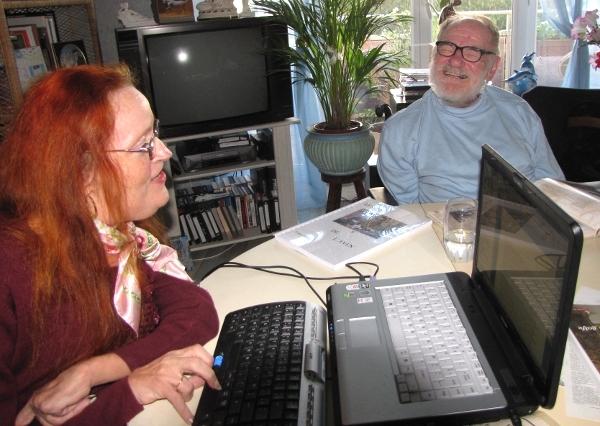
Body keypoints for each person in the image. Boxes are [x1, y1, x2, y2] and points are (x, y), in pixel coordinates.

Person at [0, 65, 220, 425]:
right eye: (144, 146)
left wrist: (94, 371)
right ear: (80, 172)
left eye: (157, 135)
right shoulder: (10, 268)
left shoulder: (114, 237)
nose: (164, 152)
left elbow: (195, 311)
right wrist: (132, 389)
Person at [377, 14, 564, 204]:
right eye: (447, 48)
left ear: (492, 67)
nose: (455, 61)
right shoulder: (400, 130)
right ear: (434, 55)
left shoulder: (519, 111)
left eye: (473, 52)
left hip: (528, 226)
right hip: (445, 230)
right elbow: (412, 215)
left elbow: (552, 187)